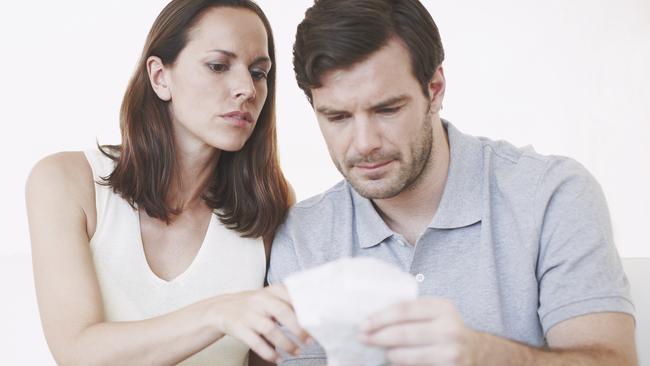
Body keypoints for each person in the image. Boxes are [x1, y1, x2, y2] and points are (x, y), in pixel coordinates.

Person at [268, 0, 637, 364]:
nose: (364, 143)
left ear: (435, 88)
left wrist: (483, 355)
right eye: (337, 117)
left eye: (387, 109)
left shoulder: (552, 196)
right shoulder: (303, 238)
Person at [25, 0, 308, 364]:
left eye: (258, 72)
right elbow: (78, 352)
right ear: (160, 77)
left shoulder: (269, 202)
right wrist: (217, 313)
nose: (247, 89)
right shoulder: (66, 182)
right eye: (218, 66)